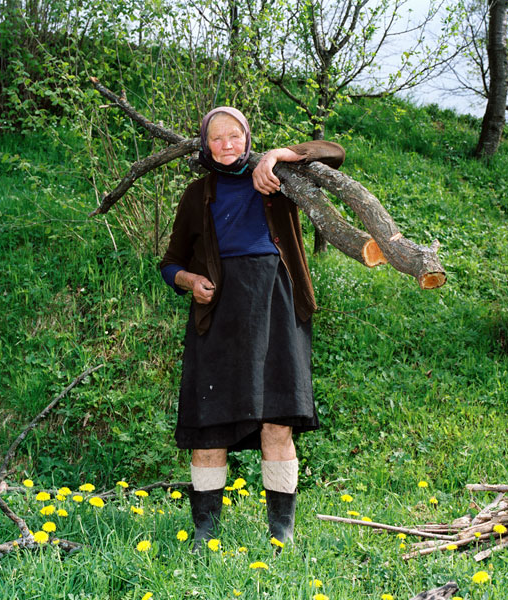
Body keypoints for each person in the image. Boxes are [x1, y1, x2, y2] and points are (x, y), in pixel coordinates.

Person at [160, 107, 345, 549]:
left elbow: (334, 153)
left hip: (277, 305)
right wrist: (188, 281)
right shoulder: (196, 194)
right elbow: (170, 264)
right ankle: (205, 530)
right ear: (205, 145)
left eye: (235, 136)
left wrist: (278, 156)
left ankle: (281, 532)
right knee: (209, 423)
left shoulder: (279, 181)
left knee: (277, 421)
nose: (227, 145)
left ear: (248, 137)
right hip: (218, 312)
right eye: (217, 138)